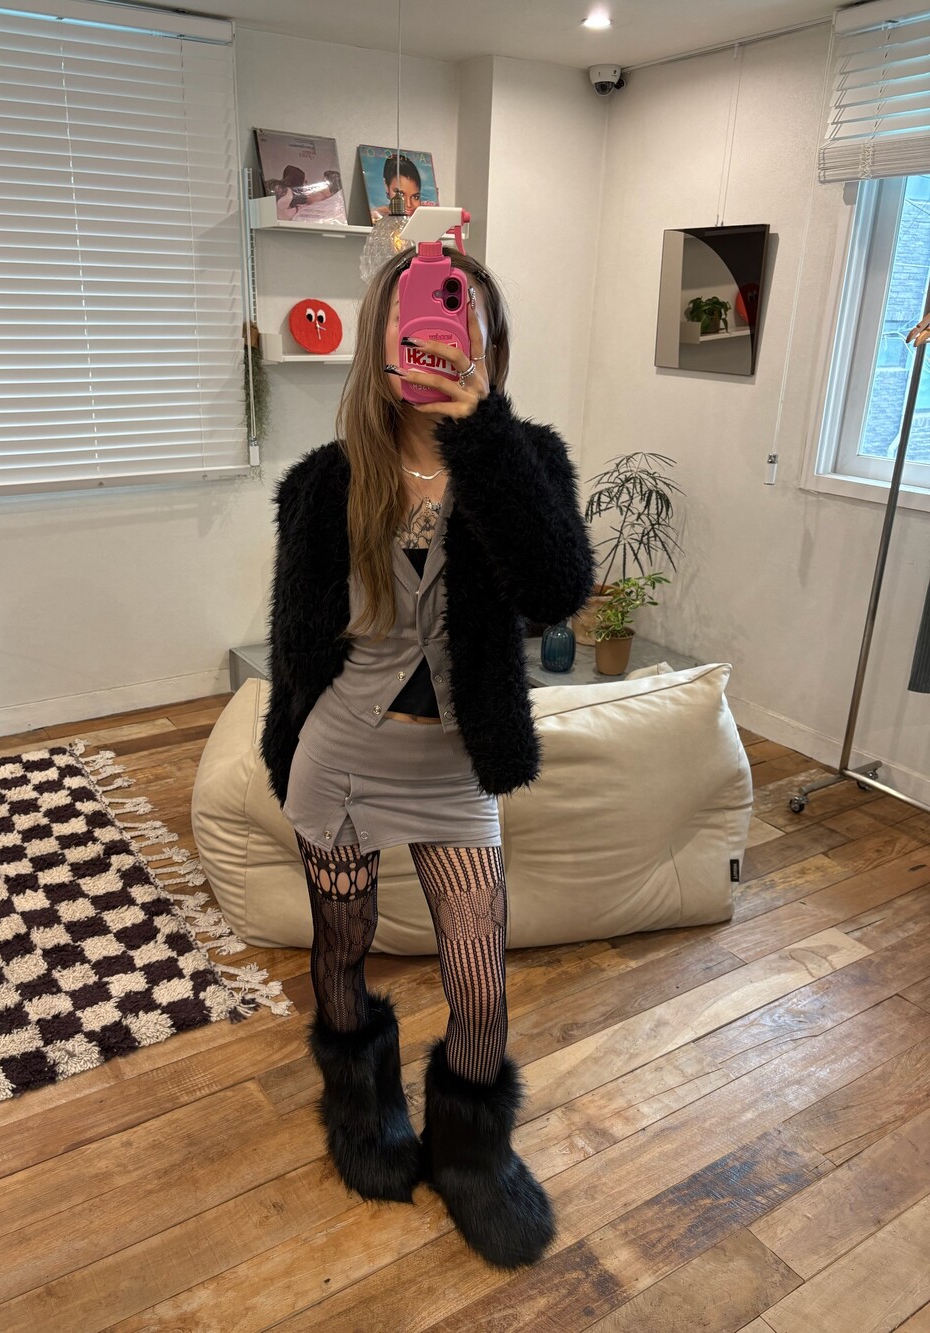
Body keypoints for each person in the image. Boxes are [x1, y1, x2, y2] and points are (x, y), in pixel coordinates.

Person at [260, 247, 595, 1271]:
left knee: (480, 983)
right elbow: (293, 644)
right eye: (422, 318)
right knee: (342, 948)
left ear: (490, 340)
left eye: (467, 318)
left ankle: (473, 1156)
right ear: (382, 336)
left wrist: (482, 435)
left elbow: (556, 591)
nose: (446, 336)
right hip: (343, 758)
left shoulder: (523, 459)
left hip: (454, 771)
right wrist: (284, 752)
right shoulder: (325, 482)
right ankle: (362, 1117)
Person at [372, 152, 423, 219]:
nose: (408, 204)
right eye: (400, 194)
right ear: (386, 186)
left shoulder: (427, 216)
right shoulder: (375, 218)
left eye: (415, 197)